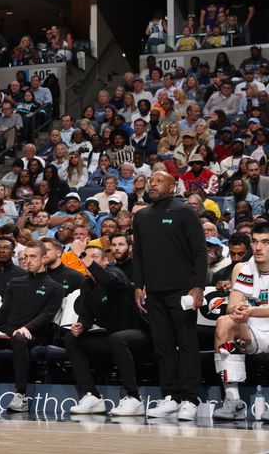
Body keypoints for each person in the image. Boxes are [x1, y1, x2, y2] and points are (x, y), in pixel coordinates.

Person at [132, 170, 207, 420]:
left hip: (182, 291)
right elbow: (139, 254)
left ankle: (190, 398)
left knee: (187, 344)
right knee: (162, 346)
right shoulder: (141, 216)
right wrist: (138, 285)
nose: (152, 184)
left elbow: (199, 251)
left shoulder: (185, 211)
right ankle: (171, 397)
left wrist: (198, 286)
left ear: (173, 187)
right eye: (151, 181)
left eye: (159, 181)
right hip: (155, 292)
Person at [0, 240, 63, 412]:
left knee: (19, 338)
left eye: (33, 257)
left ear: (44, 258)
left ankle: (21, 394)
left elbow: (47, 316)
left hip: (33, 334)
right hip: (6, 331)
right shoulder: (16, 282)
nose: (28, 260)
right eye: (26, 256)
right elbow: (4, 312)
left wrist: (27, 328)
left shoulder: (55, 287)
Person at [64, 243, 151, 416]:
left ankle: (134, 397)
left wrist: (81, 253)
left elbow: (106, 279)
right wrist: (81, 325)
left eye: (93, 257)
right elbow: (86, 315)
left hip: (141, 335)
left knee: (117, 338)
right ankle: (92, 396)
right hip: (113, 337)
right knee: (71, 339)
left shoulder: (116, 274)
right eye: (85, 258)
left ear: (105, 261)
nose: (87, 262)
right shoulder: (86, 285)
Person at [211, 223, 269, 420]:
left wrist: (251, 310)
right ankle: (233, 401)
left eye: (265, 242)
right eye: (255, 242)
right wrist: (238, 310)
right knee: (224, 322)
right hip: (252, 334)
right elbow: (231, 305)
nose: (259, 247)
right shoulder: (247, 267)